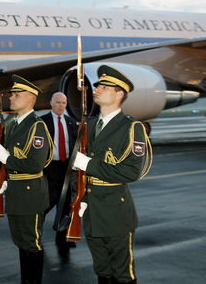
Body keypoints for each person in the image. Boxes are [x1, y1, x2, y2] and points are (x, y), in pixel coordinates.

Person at [74, 65, 152, 284]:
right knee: (102, 270)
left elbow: (131, 171)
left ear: (120, 94)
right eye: (97, 85)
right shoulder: (87, 125)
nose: (97, 88)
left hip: (115, 213)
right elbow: (74, 169)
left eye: (104, 86)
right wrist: (77, 196)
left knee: (122, 273)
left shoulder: (131, 128)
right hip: (91, 209)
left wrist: (88, 165)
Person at [0, 75, 53, 284]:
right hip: (16, 190)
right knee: (20, 241)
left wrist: (6, 158)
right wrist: (5, 178)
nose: (11, 98)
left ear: (30, 98)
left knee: (31, 242)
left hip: (30, 192)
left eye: (17, 95)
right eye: (12, 95)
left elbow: (35, 164)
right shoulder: (14, 125)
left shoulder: (37, 127)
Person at [40, 92, 77, 256]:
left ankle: (62, 239)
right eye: (58, 102)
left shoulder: (70, 122)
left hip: (67, 169)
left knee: (66, 206)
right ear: (51, 103)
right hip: (50, 168)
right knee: (46, 203)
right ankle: (36, 235)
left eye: (64, 102)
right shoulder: (42, 122)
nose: (61, 105)